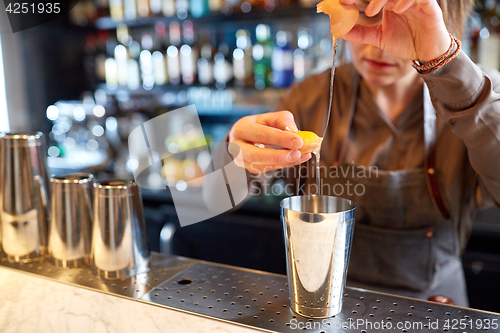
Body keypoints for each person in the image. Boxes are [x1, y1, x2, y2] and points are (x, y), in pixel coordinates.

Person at [212, 0, 500, 307]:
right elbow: (208, 199)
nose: (378, 48)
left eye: (401, 16)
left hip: (433, 307)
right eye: (365, 13)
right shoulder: (309, 97)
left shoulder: (476, 93)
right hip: (319, 302)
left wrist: (448, 69)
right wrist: (236, 157)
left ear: (446, 17)